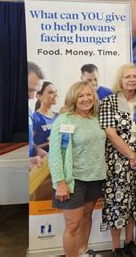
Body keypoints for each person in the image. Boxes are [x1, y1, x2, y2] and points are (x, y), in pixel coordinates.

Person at [48, 81, 106, 257]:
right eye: (81, 95)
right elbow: (56, 153)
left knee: (87, 216)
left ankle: (83, 251)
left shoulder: (96, 118)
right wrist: (60, 181)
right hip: (73, 180)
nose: (86, 99)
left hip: (95, 177)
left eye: (89, 95)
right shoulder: (64, 120)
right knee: (73, 225)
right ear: (73, 98)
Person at [99, 63, 136, 257]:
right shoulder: (109, 102)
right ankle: (116, 248)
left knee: (135, 203)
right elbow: (111, 134)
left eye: (135, 77)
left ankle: (130, 242)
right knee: (117, 204)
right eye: (127, 76)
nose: (131, 80)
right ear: (120, 80)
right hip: (117, 163)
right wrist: (131, 156)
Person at [32, 81, 59, 153]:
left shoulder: (59, 117)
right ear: (39, 96)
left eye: (56, 92)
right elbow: (30, 147)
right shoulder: (34, 118)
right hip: (42, 161)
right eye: (51, 92)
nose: (56, 95)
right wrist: (48, 144)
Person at [28, 61, 44, 168]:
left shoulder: (28, 110)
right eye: (29, 90)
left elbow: (28, 139)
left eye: (36, 91)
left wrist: (37, 150)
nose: (33, 96)